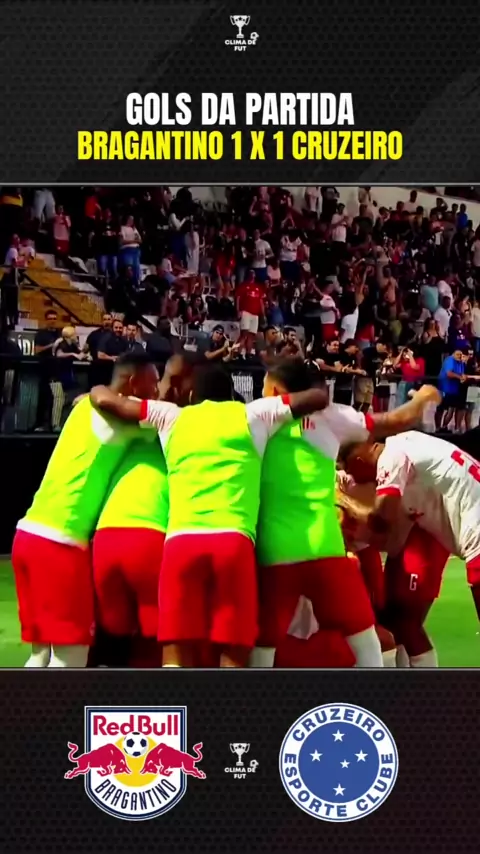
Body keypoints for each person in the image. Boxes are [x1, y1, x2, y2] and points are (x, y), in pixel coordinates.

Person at [89, 361, 330, 669]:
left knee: (176, 646)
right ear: (230, 394)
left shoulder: (171, 416)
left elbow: (109, 402)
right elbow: (317, 397)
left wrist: (95, 390)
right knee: (233, 647)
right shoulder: (253, 414)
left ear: (191, 395)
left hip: (181, 544)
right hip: (234, 542)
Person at [253, 356, 441, 668]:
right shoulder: (330, 417)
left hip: (275, 551)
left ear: (274, 392)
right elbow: (393, 420)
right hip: (325, 547)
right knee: (366, 641)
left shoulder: (255, 418)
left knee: (263, 644)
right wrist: (423, 397)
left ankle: (251, 699)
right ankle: (373, 698)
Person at [11, 352, 160, 669]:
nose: (158, 390)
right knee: (71, 656)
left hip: (27, 535)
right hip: (60, 542)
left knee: (39, 654)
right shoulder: (125, 415)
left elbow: (98, 395)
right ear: (134, 382)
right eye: (154, 382)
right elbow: (175, 420)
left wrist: (96, 391)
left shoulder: (81, 409)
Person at [342, 431, 480, 667]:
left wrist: (347, 512)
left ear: (359, 459)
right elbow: (394, 543)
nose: (352, 477)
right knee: (401, 616)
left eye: (350, 470)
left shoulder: (392, 456)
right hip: (472, 532)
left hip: (476, 533)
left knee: (406, 617)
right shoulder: (412, 456)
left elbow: (382, 517)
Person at [92, 438, 168, 668]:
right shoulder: (176, 452)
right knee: (155, 636)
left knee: (114, 635)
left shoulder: (123, 449)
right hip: (149, 539)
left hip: (105, 539)